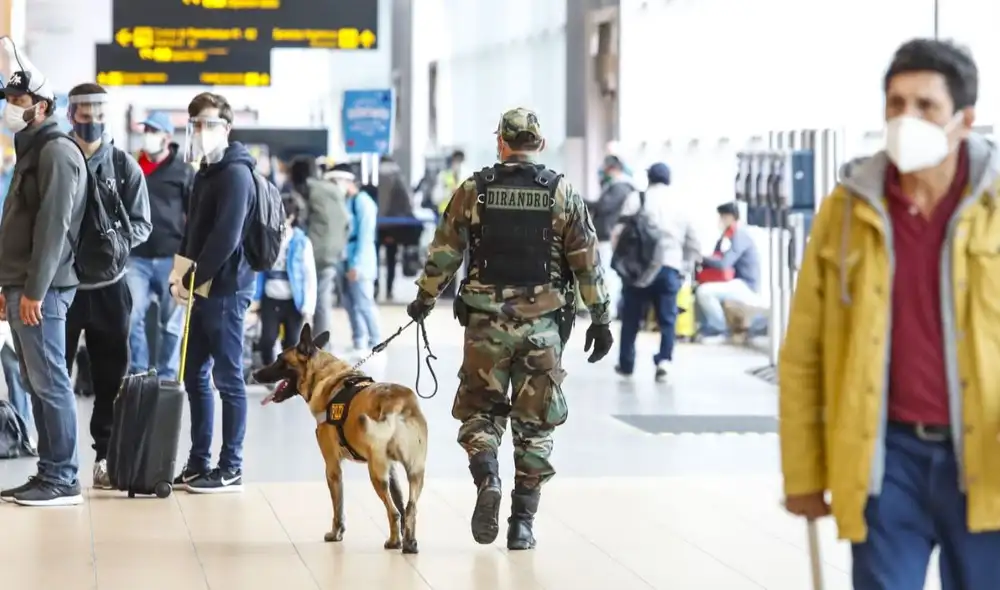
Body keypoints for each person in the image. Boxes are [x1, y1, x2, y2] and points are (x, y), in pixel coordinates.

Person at [779, 39, 1000, 590]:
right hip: (885, 457)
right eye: (896, 103)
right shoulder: (847, 210)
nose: (907, 119)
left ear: (965, 119)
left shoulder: (995, 206)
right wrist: (803, 472)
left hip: (986, 456)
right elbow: (805, 351)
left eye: (926, 106)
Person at [406, 108, 613, 550]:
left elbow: (444, 251)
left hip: (485, 329)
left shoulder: (474, 190)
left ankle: (488, 480)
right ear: (540, 145)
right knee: (535, 427)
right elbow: (587, 261)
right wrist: (601, 317)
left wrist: (424, 297)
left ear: (500, 142)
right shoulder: (561, 192)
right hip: (543, 331)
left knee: (480, 412)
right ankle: (522, 524)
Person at [0, 64, 88, 506]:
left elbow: (53, 228)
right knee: (35, 382)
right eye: (9, 101)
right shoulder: (32, 147)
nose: (11, 108)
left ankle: (64, 477)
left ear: (43, 105)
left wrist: (34, 289)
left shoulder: (56, 151)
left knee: (50, 381)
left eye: (19, 101)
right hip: (22, 284)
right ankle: (49, 470)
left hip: (44, 290)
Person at [62, 84, 151, 490]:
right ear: (71, 115)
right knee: (55, 378)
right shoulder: (57, 158)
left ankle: (105, 458)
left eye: (98, 112)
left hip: (111, 288)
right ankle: (58, 462)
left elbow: (143, 223)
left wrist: (115, 244)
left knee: (110, 379)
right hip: (63, 287)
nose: (92, 120)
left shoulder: (123, 165)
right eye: (84, 113)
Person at [170, 92, 255, 494]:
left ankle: (231, 466)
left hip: (228, 289)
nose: (202, 131)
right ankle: (199, 461)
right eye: (196, 124)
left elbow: (226, 237)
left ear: (227, 127)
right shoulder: (204, 172)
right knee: (194, 374)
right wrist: (180, 276)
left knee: (228, 377)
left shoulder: (236, 174)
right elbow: (193, 232)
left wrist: (191, 279)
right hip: (201, 286)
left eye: (209, 123)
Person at [614, 163, 700, 383]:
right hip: (669, 266)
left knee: (631, 317)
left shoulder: (637, 198)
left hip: (638, 269)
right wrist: (685, 267)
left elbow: (619, 231)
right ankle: (664, 361)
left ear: (649, 178)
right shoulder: (681, 202)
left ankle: (626, 363)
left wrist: (621, 261)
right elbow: (693, 242)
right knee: (667, 318)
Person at [127, 111, 194, 379]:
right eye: (146, 130)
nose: (148, 136)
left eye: (153, 131)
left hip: (175, 258)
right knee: (130, 316)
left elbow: (194, 214)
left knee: (173, 324)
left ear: (167, 137)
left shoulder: (183, 171)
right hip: (136, 256)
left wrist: (191, 257)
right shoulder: (132, 166)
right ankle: (139, 372)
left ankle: (167, 376)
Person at [250, 194, 317, 365]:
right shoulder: (268, 238)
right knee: (267, 340)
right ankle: (269, 368)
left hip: (293, 300)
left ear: (291, 217)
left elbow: (309, 276)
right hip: (270, 297)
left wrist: (308, 307)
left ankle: (287, 375)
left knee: (291, 343)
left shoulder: (302, 242)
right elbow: (259, 270)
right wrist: (255, 297)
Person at [289, 155, 348, 348]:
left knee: (310, 300)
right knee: (323, 301)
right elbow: (346, 222)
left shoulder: (306, 191)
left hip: (316, 252)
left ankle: (315, 347)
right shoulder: (330, 189)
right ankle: (322, 345)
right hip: (333, 251)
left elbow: (299, 218)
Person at [328, 164, 381, 354]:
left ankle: (376, 340)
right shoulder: (347, 201)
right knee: (350, 303)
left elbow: (365, 237)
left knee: (364, 302)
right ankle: (359, 339)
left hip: (360, 261)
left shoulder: (363, 203)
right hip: (344, 258)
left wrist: (356, 265)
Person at [695, 202, 760, 337]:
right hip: (735, 283)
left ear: (730, 217)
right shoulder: (727, 236)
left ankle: (719, 329)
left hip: (745, 285)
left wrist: (702, 258)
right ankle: (706, 327)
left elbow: (724, 263)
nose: (720, 221)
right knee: (700, 288)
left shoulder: (740, 235)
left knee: (704, 292)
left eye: (722, 217)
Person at [588, 155, 635, 319]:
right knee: (604, 274)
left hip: (610, 237)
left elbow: (604, 206)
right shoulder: (616, 186)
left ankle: (609, 310)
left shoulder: (620, 187)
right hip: (605, 236)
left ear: (614, 169)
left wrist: (580, 201)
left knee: (609, 275)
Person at [377, 154, 415, 301]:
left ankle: (375, 287)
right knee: (391, 258)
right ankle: (389, 289)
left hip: (377, 225)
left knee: (374, 257)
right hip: (394, 225)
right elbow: (407, 202)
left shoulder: (375, 177)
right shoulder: (398, 179)